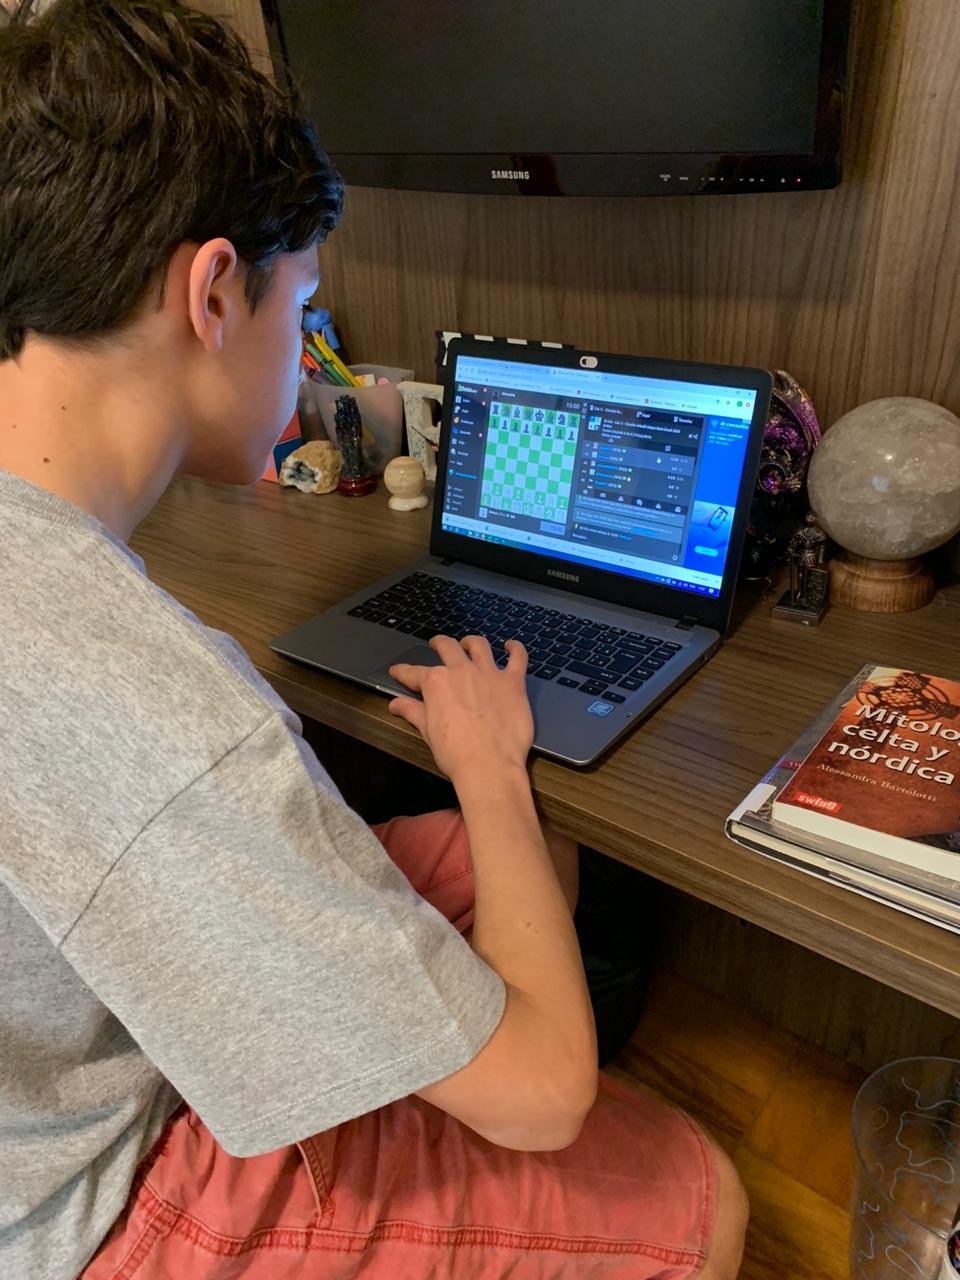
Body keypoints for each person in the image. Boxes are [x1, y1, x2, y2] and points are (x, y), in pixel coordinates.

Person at [0, 2, 748, 1277]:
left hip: (58, 1049)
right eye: (304, 310)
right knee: (701, 1193)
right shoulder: (163, 713)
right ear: (214, 291)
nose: (307, 358)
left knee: (517, 859)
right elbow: (548, 1096)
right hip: (80, 1202)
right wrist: (491, 764)